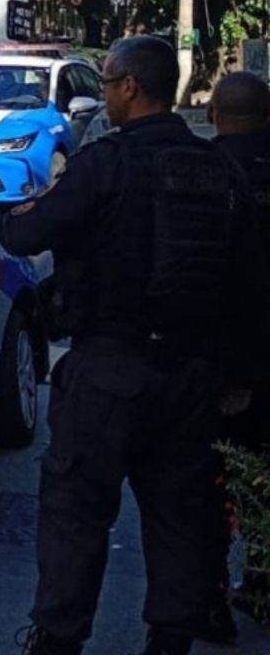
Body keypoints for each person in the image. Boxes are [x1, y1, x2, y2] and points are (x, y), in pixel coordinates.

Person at [4, 37, 266, 655]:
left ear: (129, 88)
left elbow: (27, 233)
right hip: (189, 375)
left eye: (108, 79)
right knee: (180, 514)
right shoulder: (218, 170)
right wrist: (238, 374)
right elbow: (248, 288)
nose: (105, 91)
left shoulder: (105, 164)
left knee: (76, 511)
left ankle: (60, 637)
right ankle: (171, 636)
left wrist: (7, 218)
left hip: (108, 367)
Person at [205, 71, 270, 641]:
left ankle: (208, 596)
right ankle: (260, 576)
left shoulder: (201, 172)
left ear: (214, 112)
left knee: (208, 479)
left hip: (214, 357)